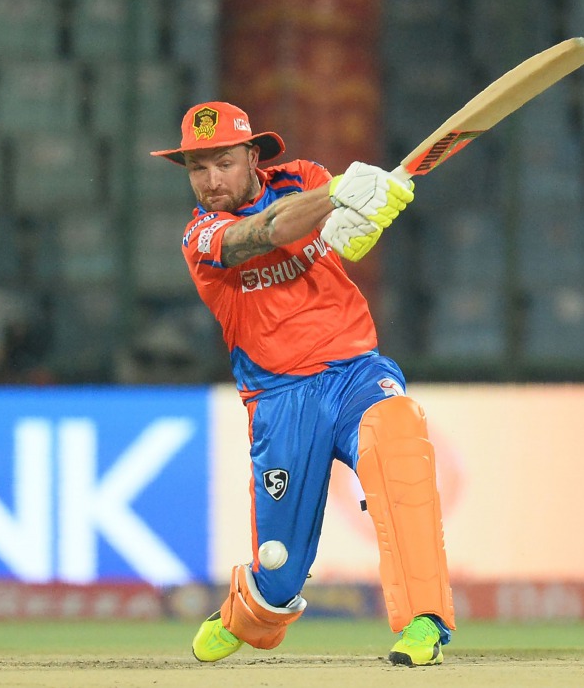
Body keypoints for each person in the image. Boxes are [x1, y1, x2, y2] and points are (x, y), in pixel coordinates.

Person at [150, 102, 454, 667]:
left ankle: (425, 620)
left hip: (355, 372)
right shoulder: (203, 235)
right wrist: (342, 191)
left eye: (222, 163)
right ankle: (252, 614)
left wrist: (369, 210)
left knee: (400, 442)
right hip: (280, 398)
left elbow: (342, 241)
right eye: (197, 168)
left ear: (252, 157)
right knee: (280, 569)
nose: (211, 181)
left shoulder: (303, 177)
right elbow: (268, 230)